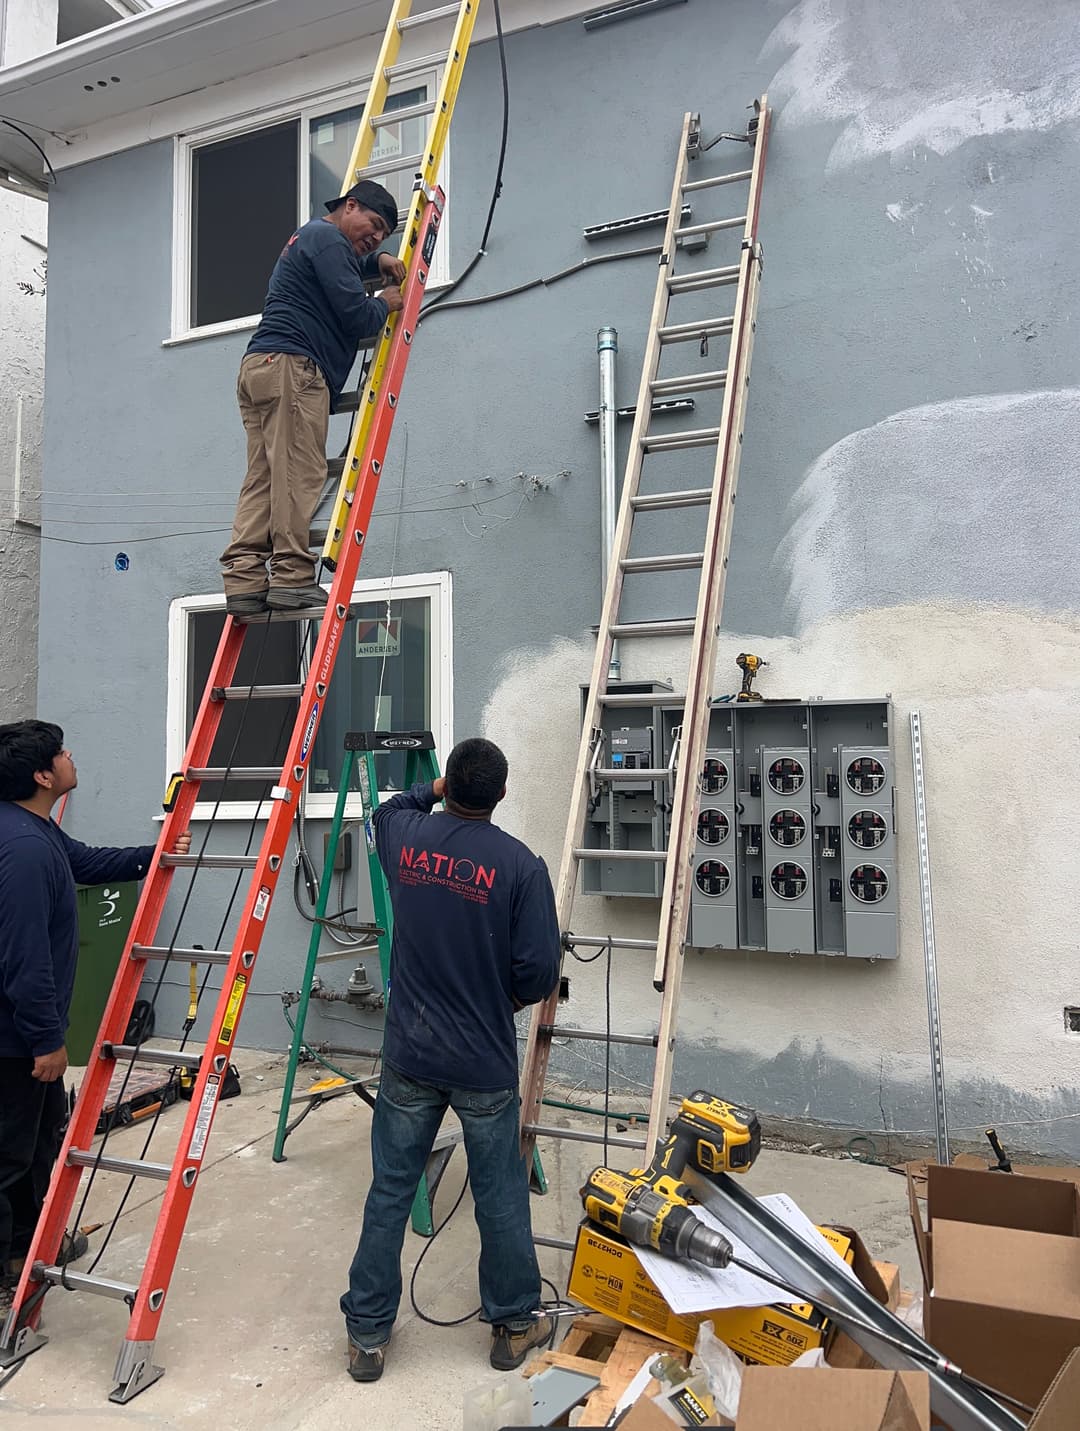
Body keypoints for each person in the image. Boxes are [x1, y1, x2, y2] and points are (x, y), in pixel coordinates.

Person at [340, 738, 561, 1383]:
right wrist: (497, 1001)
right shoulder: (521, 868)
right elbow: (538, 972)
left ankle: (367, 1335)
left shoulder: (406, 840)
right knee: (499, 1194)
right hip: (483, 1062)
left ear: (447, 786)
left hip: (410, 1050)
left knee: (389, 1190)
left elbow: (386, 809)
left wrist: (430, 791)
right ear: (501, 792)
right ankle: (514, 1325)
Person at [0, 720, 191, 1311]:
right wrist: (45, 1041)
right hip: (15, 1044)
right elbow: (24, 958)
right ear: (41, 775)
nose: (69, 756)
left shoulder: (33, 831)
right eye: (60, 753)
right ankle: (9, 1278)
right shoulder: (26, 851)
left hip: (22, 1037)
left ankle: (32, 1246)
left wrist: (153, 854)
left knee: (39, 1145)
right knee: (9, 1159)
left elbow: (85, 862)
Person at [219, 179, 408, 617]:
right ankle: (291, 577)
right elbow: (356, 315)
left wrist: (374, 260)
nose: (377, 237)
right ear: (350, 206)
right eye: (374, 225)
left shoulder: (314, 239)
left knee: (264, 479)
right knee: (298, 474)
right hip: (294, 368)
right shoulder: (327, 239)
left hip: (261, 368)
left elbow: (340, 271)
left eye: (384, 235)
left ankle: (245, 579)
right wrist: (386, 303)